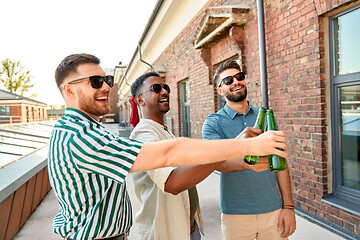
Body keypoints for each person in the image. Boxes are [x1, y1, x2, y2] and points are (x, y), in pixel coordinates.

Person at [48, 53, 289, 240]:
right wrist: (239, 147)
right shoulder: (81, 135)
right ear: (69, 90)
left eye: (107, 80)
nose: (105, 87)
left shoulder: (95, 130)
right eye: (96, 81)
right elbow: (171, 163)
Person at [129, 72, 270, 240]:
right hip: (166, 232)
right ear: (140, 100)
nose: (165, 92)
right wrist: (234, 147)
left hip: (189, 228)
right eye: (156, 88)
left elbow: (195, 168)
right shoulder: (143, 133)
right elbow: (172, 183)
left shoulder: (164, 131)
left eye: (166, 87)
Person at [202, 60, 296, 240]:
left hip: (273, 210)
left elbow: (281, 163)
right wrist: (248, 161)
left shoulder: (265, 115)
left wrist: (289, 206)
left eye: (239, 77)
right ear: (220, 91)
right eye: (228, 80)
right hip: (235, 214)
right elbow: (216, 162)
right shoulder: (213, 122)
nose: (235, 82)